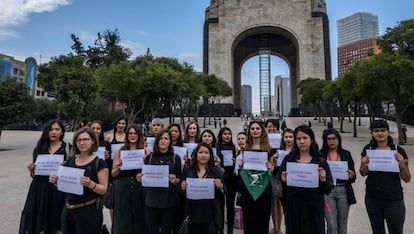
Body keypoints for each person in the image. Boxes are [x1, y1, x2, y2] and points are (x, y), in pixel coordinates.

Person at [49, 127, 109, 233]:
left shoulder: (99, 163)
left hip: (88, 211)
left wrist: (90, 184)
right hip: (68, 210)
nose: (82, 143)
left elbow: (104, 189)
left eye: (85, 139)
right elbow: (63, 185)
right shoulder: (70, 162)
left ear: (93, 141)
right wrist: (55, 181)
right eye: (79, 140)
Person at [279, 125, 333, 234]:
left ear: (311, 139)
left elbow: (327, 189)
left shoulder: (320, 161)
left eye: (305, 138)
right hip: (294, 206)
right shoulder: (289, 159)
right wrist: (283, 180)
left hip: (314, 207)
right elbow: (283, 186)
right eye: (298, 139)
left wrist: (323, 179)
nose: (302, 141)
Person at [360, 120, 411, 234]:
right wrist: (364, 164)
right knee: (377, 231)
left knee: (396, 231)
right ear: (372, 133)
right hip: (372, 198)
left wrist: (402, 164)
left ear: (388, 132)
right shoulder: (368, 149)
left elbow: (407, 179)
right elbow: (363, 173)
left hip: (393, 199)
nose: (380, 133)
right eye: (376, 131)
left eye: (383, 130)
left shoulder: (398, 150)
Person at [19, 120, 69, 234]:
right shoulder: (39, 148)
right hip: (39, 189)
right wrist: (32, 170)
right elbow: (35, 174)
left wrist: (66, 167)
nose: (54, 132)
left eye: (57, 129)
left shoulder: (67, 148)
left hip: (58, 189)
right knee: (37, 218)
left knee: (55, 218)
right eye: (51, 129)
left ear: (62, 132)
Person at [137, 130, 182, 234]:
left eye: (166, 139)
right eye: (161, 139)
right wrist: (140, 178)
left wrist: (175, 180)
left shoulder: (176, 158)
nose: (163, 141)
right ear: (157, 141)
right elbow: (143, 177)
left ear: (170, 141)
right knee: (152, 230)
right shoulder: (149, 158)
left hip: (169, 201)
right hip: (151, 201)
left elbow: (180, 179)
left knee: (166, 231)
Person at [111, 124, 149, 234]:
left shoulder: (146, 151)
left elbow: (151, 171)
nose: (133, 135)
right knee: (122, 218)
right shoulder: (120, 150)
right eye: (130, 133)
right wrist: (118, 167)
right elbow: (113, 174)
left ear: (139, 135)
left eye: (135, 133)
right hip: (123, 187)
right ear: (127, 135)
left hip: (140, 187)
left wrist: (146, 164)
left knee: (140, 217)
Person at [238, 121, 274, 234]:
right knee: (249, 220)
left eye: (257, 128)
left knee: (263, 220)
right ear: (249, 131)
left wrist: (270, 167)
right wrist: (240, 165)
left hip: (263, 188)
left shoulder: (269, 148)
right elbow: (242, 169)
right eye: (252, 128)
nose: (255, 130)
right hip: (248, 187)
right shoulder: (245, 148)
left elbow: (272, 169)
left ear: (262, 130)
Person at [180, 143, 225, 234]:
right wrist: (183, 187)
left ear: (210, 155)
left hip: (210, 213)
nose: (203, 155)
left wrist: (220, 186)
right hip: (192, 213)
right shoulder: (188, 170)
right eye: (200, 152)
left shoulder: (215, 171)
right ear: (196, 154)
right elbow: (180, 192)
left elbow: (223, 192)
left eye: (206, 153)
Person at [320, 128, 356, 234]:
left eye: (334, 138)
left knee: (342, 226)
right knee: (331, 225)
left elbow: (353, 176)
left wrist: (351, 175)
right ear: (325, 141)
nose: (331, 141)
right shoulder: (320, 155)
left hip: (343, 190)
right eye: (329, 139)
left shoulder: (346, 154)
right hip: (327, 191)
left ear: (339, 140)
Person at [90, 120, 112, 228]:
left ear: (101, 130)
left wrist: (107, 158)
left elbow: (109, 164)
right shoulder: (85, 142)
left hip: (101, 178)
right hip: (88, 176)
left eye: (98, 128)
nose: (95, 130)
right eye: (93, 128)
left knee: (99, 206)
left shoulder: (106, 144)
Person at [216, 127, 237, 234]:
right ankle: (220, 228)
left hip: (231, 179)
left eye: (229, 134)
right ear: (221, 135)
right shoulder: (216, 148)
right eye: (225, 134)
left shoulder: (234, 148)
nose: (227, 136)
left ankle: (230, 228)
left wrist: (236, 160)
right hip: (220, 178)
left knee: (230, 205)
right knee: (220, 205)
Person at [265, 119, 283, 234]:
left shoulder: (282, 140)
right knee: (271, 202)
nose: (272, 128)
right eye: (269, 126)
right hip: (268, 173)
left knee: (278, 202)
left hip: (279, 173)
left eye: (274, 126)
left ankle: (278, 229)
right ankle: (275, 226)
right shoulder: (263, 141)